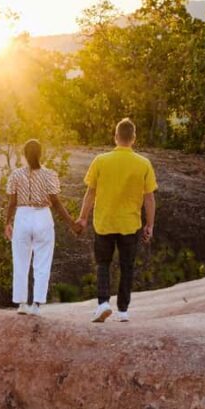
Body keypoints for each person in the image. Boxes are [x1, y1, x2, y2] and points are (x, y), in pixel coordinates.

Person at [75, 118, 157, 323]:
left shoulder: (100, 161)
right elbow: (149, 198)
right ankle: (123, 311)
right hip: (130, 224)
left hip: (104, 222)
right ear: (133, 138)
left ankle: (103, 303)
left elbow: (90, 193)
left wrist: (83, 218)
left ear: (116, 137)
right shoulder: (143, 163)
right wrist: (150, 225)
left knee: (103, 263)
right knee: (127, 265)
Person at [5, 139, 80, 316]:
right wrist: (71, 223)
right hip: (43, 216)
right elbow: (56, 202)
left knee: (20, 261)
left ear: (24, 154)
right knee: (42, 262)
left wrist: (7, 222)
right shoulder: (49, 174)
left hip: (22, 216)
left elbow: (12, 202)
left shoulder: (16, 175)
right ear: (41, 154)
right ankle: (37, 305)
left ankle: (22, 304)